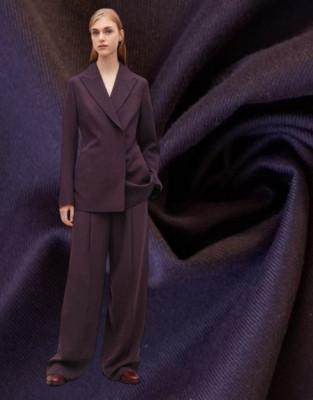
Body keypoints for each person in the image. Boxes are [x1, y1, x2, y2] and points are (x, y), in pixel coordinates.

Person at [45, 8, 162, 386]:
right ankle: (67, 362)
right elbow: (68, 145)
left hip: (131, 192)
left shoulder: (138, 86)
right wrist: (67, 197)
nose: (101, 38)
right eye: (95, 32)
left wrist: (149, 176)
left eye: (108, 31)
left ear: (121, 35)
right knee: (83, 279)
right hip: (90, 192)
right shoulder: (77, 86)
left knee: (129, 282)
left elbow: (150, 142)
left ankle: (121, 362)